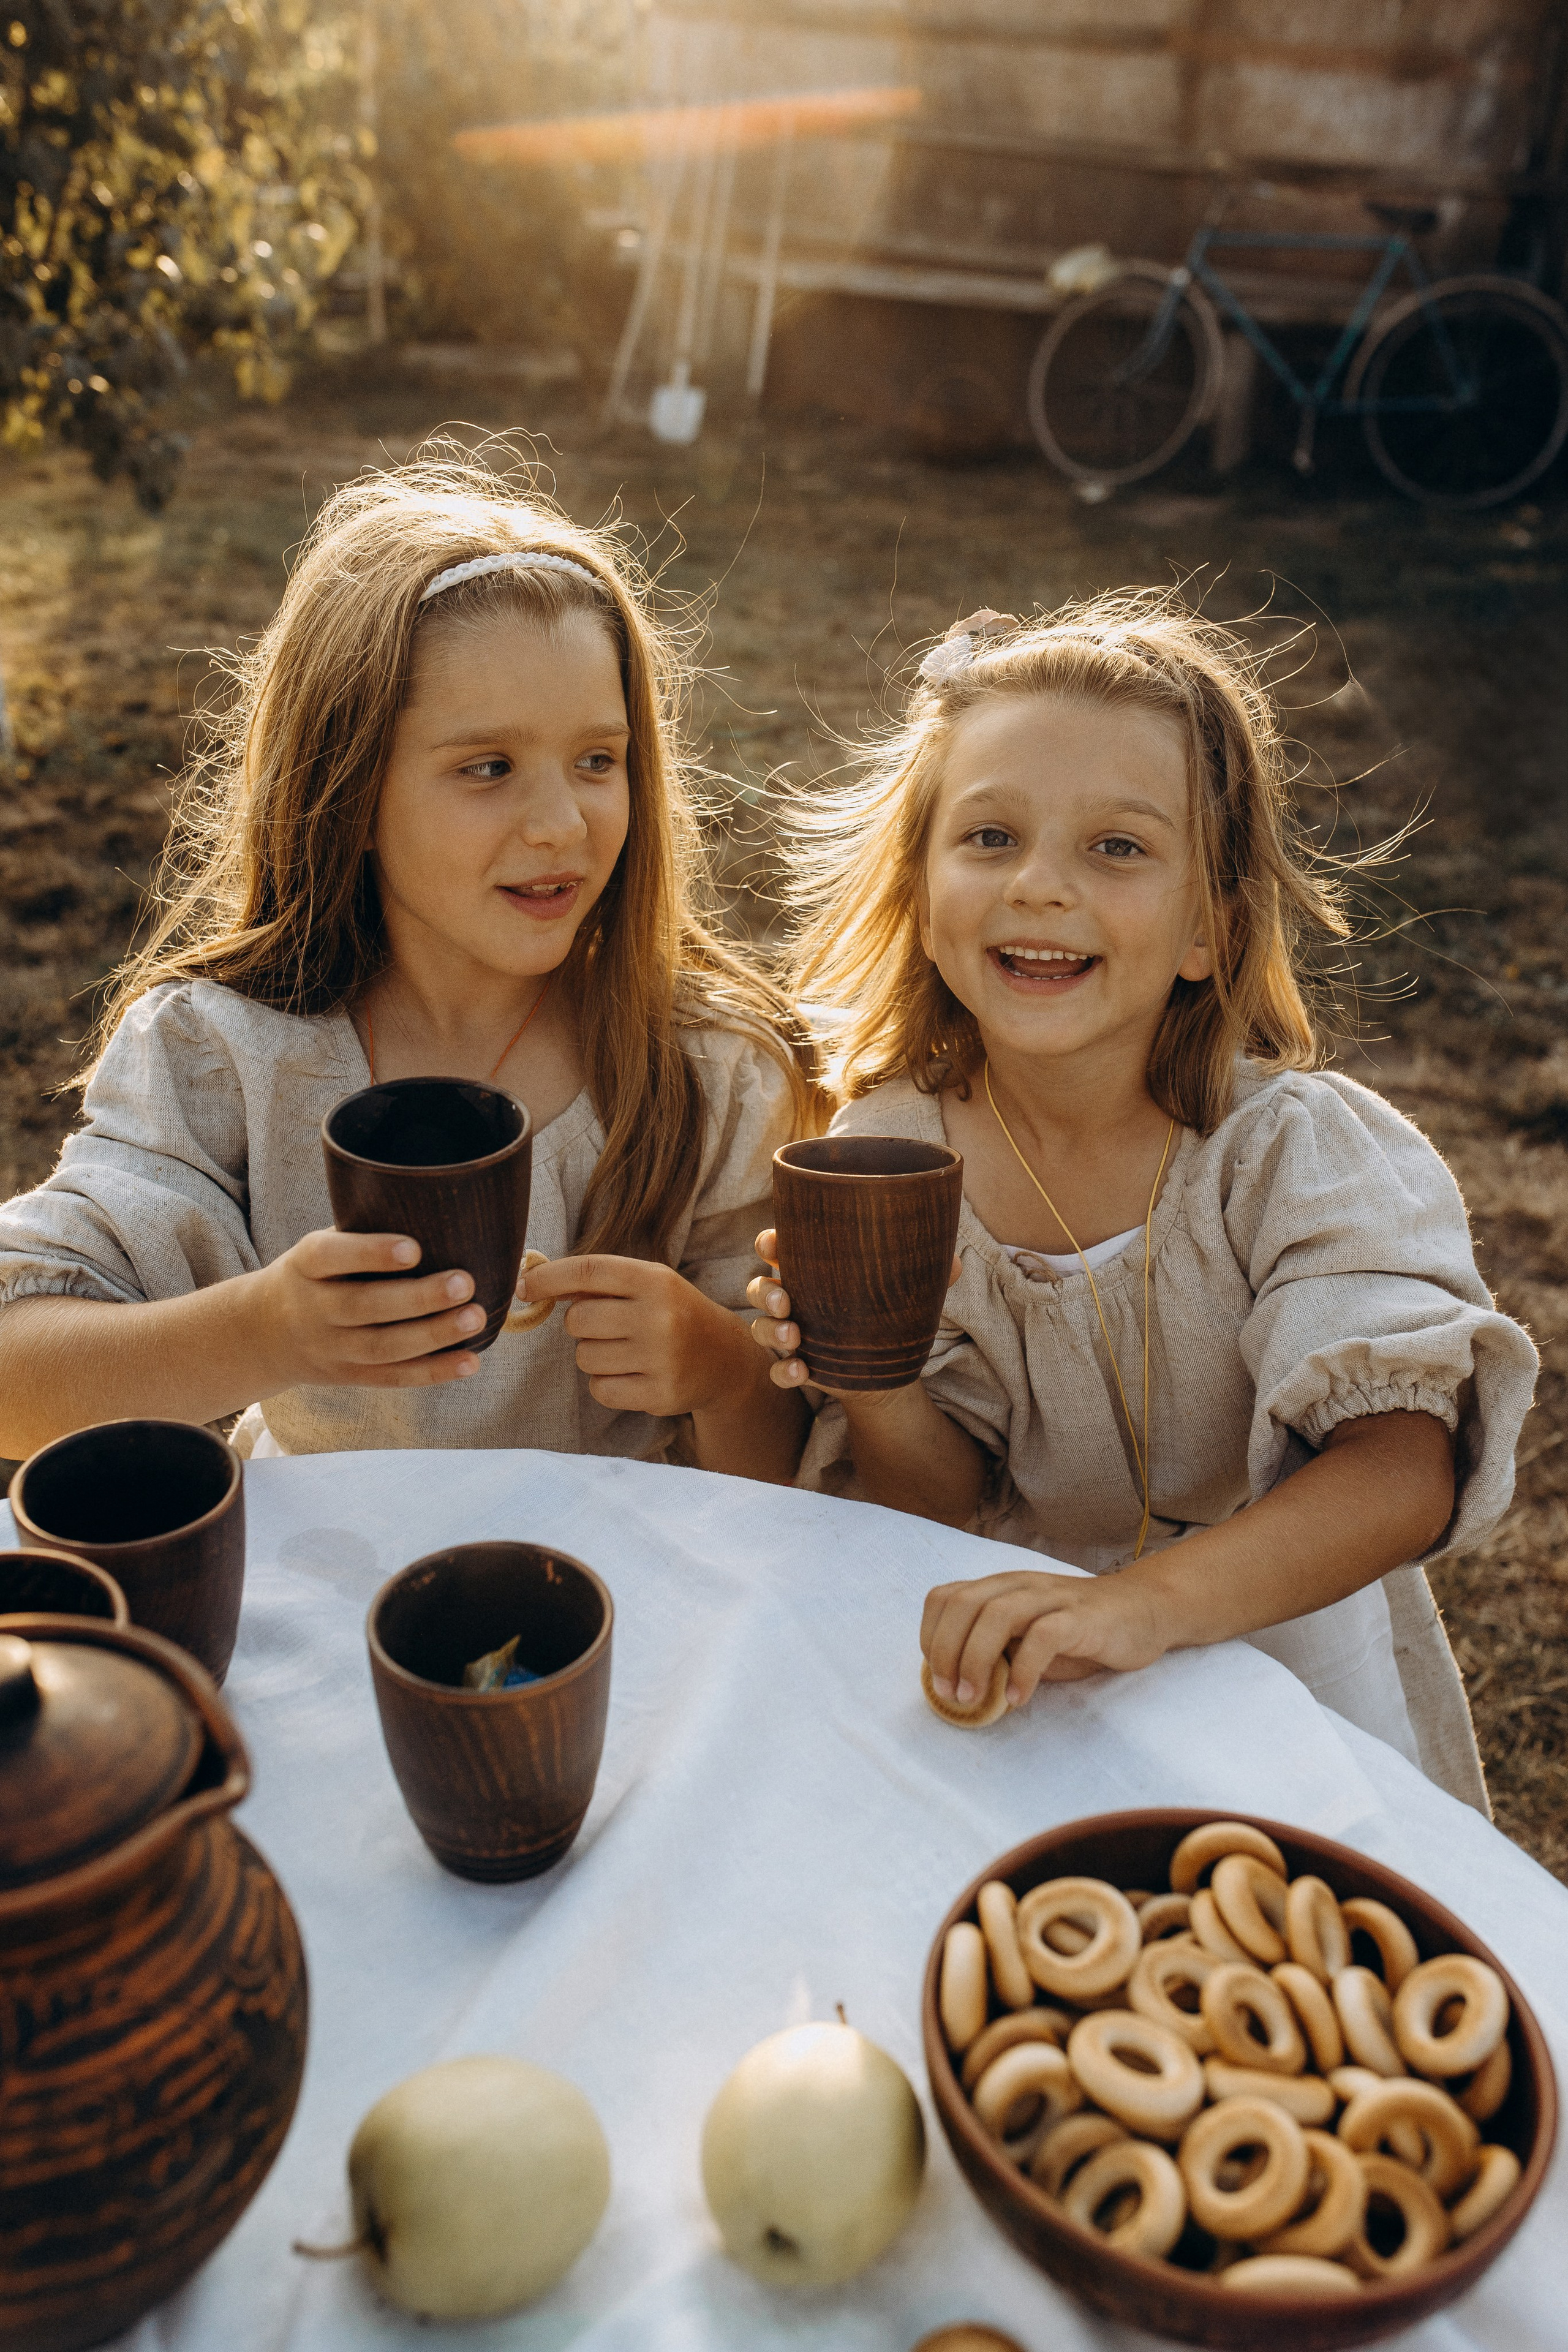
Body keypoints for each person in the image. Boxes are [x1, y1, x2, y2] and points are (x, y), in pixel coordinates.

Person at [750, 592, 1536, 1809]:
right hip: (1010, 1645)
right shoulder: (892, 1149)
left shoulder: (1284, 1157)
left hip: (1270, 1640)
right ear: (916, 883)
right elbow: (941, 1495)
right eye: (989, 837)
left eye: (1115, 847)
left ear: (1207, 932)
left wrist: (1135, 1607)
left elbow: (1395, 1471)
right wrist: (874, 1374)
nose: (1039, 888)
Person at [0, 448, 816, 1479]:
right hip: (326, 1588)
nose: (562, 823)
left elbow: (798, 1488)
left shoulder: (705, 1069)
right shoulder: (227, 1055)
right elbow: (15, 1373)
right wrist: (263, 1332)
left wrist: (724, 1375)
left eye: (598, 761)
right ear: (351, 794)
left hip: (616, 1604)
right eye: (488, 768)